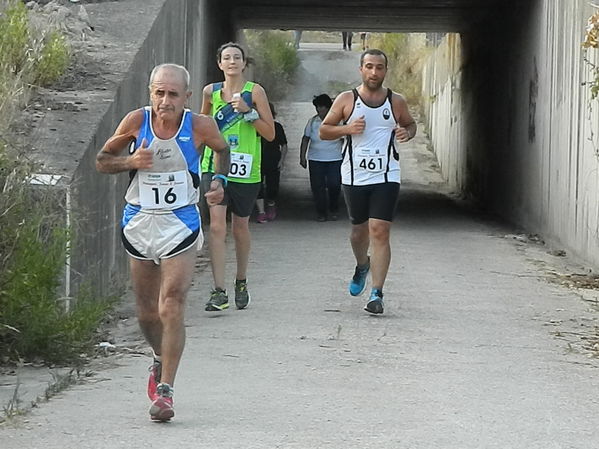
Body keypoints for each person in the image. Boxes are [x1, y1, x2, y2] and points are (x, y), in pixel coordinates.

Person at [95, 63, 230, 421]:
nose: (165, 101)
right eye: (159, 93)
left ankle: (166, 391)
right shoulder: (135, 122)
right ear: (150, 93)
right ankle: (158, 357)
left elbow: (222, 150)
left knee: (171, 304)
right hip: (139, 222)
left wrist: (218, 183)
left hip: (180, 224)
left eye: (173, 94)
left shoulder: (200, 126)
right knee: (146, 312)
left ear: (186, 97)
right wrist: (129, 161)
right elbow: (102, 161)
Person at [319, 49, 416, 315]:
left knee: (380, 230)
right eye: (370, 67)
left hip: (386, 174)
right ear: (361, 69)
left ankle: (377, 293)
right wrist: (347, 129)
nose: (375, 72)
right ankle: (363, 264)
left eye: (380, 67)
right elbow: (324, 130)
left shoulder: (395, 101)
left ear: (386, 70)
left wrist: (406, 132)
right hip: (354, 175)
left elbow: (410, 124)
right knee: (358, 232)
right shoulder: (347, 99)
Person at [200, 42, 275, 311]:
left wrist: (248, 112)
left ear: (244, 63)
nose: (232, 62)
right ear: (219, 63)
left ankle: (240, 280)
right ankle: (218, 290)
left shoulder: (255, 92)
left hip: (246, 168)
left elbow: (270, 134)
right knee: (217, 225)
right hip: (215, 166)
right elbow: (201, 127)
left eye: (237, 58)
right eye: (227, 58)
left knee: (240, 227)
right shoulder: (210, 92)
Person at [299, 94, 343, 221]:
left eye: (322, 107)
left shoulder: (339, 121)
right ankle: (321, 212)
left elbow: (346, 139)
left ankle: (334, 208)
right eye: (317, 107)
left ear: (329, 108)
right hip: (316, 159)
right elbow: (305, 139)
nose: (319, 110)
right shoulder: (312, 122)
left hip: (335, 158)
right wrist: (302, 156)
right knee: (318, 187)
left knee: (334, 184)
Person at [256, 102, 288, 223]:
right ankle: (261, 212)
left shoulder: (277, 127)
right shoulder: (254, 126)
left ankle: (271, 204)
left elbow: (284, 145)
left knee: (272, 187)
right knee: (257, 186)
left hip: (273, 159)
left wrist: (282, 160)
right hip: (257, 161)